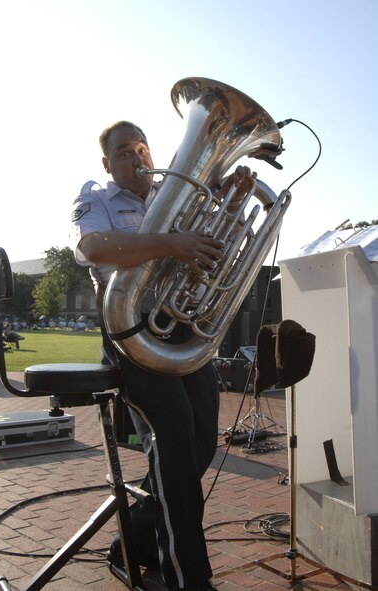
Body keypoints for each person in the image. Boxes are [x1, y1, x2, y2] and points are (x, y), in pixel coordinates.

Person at [71, 121, 253, 591]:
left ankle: (137, 537)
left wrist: (230, 204)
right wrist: (172, 243)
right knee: (173, 443)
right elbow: (93, 248)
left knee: (202, 442)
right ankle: (188, 578)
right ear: (107, 164)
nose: (138, 159)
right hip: (131, 332)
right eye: (124, 153)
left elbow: (207, 250)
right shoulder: (97, 198)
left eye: (142, 149)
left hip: (178, 332)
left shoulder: (172, 196)